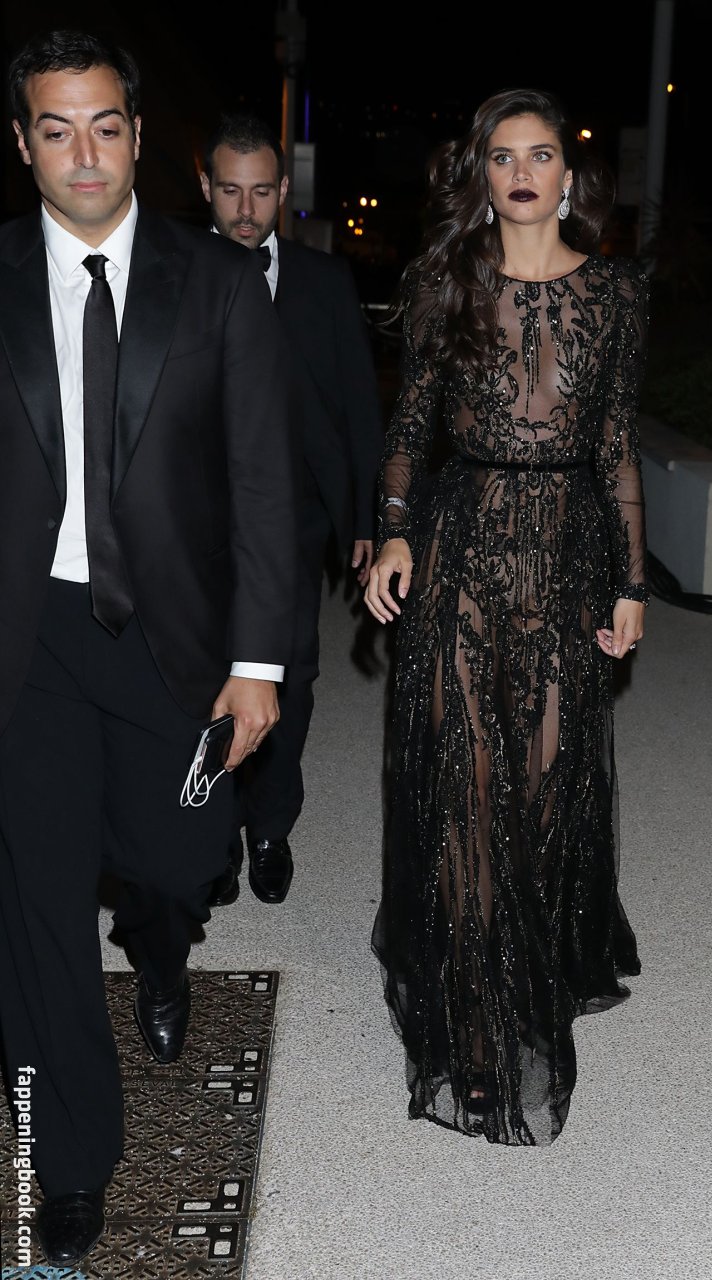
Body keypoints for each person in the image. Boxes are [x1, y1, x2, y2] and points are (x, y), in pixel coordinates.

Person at [0, 30, 297, 1266]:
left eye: (106, 126)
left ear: (136, 135)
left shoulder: (215, 281)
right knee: (37, 907)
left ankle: (162, 938)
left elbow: (262, 478)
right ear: (23, 143)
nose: (84, 153)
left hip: (171, 637)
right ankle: (67, 1158)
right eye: (56, 128)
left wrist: (259, 660)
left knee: (177, 852)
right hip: (29, 640)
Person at [364, 87, 649, 1146]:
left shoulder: (613, 292)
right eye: (501, 156)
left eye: (540, 155)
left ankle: (535, 971)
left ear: (568, 175)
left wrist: (630, 582)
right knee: (467, 784)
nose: (522, 173)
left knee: (541, 786)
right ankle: (481, 1036)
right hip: (462, 543)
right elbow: (410, 423)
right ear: (479, 175)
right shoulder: (443, 279)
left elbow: (614, 441)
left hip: (566, 555)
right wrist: (394, 530)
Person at [199, 112, 384, 907]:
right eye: (230, 191)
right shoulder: (171, 275)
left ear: (283, 191)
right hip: (195, 518)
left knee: (290, 676)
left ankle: (269, 828)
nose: (246, 210)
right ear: (205, 188)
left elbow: (358, 405)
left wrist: (370, 521)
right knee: (199, 677)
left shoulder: (324, 281)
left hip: (297, 514)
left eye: (261, 192)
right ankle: (210, 836)